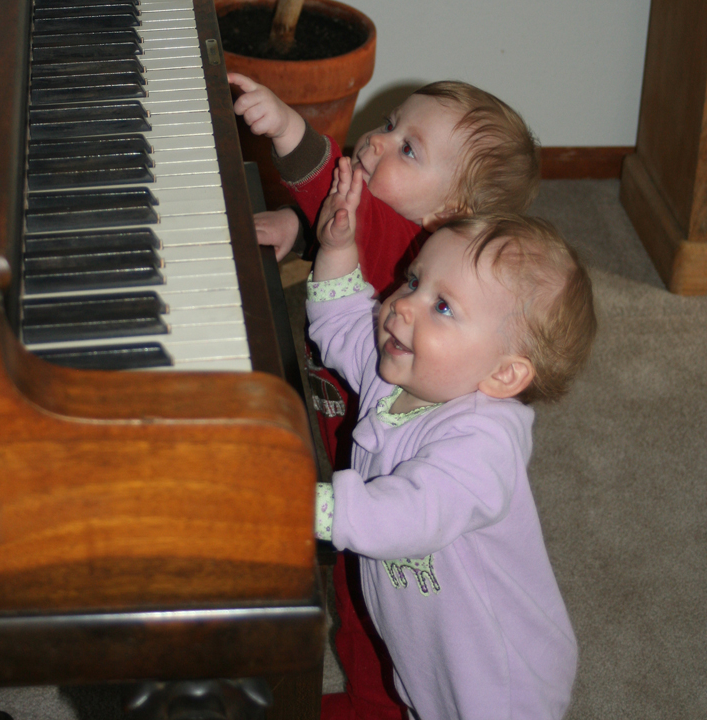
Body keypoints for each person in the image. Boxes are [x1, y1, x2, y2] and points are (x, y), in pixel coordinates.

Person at [228, 74, 542, 720]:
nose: (377, 141)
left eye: (408, 150)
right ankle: (376, 697)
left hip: (388, 496)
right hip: (361, 454)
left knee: (380, 603)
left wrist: (288, 129)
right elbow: (348, 283)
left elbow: (355, 215)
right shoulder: (418, 261)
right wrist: (312, 231)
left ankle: (382, 701)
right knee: (361, 597)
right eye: (392, 123)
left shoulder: (408, 242)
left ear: (445, 221)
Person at [307, 158, 596, 720]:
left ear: (504, 374)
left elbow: (413, 514)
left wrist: (308, 506)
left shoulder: (484, 442)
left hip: (498, 684)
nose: (403, 304)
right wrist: (338, 248)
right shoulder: (402, 371)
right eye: (415, 280)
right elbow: (340, 321)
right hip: (431, 661)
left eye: (443, 307)